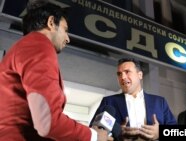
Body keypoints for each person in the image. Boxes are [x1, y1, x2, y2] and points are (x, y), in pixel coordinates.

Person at [0, 1, 108, 141]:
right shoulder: (39, 45)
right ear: (51, 22)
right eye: (65, 29)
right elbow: (48, 122)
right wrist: (94, 136)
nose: (67, 39)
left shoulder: (23, 47)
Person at [89, 58, 177, 140]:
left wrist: (160, 132)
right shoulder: (108, 102)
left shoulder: (159, 102)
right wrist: (118, 135)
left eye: (127, 72)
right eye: (119, 74)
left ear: (140, 75)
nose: (122, 77)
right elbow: (93, 133)